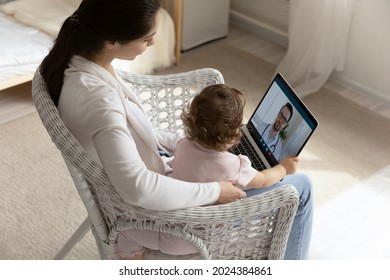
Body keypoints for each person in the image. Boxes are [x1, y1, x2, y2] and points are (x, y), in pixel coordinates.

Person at [39, 0, 246, 260]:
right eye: (148, 38)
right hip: (152, 215)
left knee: (258, 167)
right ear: (111, 40)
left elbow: (133, 129)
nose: (152, 44)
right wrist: (215, 190)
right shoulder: (98, 100)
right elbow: (138, 187)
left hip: (164, 173)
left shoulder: (85, 59)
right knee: (296, 189)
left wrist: (197, 144)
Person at [169, 84, 313, 260]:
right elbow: (264, 180)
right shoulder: (232, 164)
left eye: (285, 119)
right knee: (304, 183)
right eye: (238, 126)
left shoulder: (183, 146)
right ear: (228, 137)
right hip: (212, 227)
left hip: (187, 217)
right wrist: (284, 168)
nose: (280, 120)